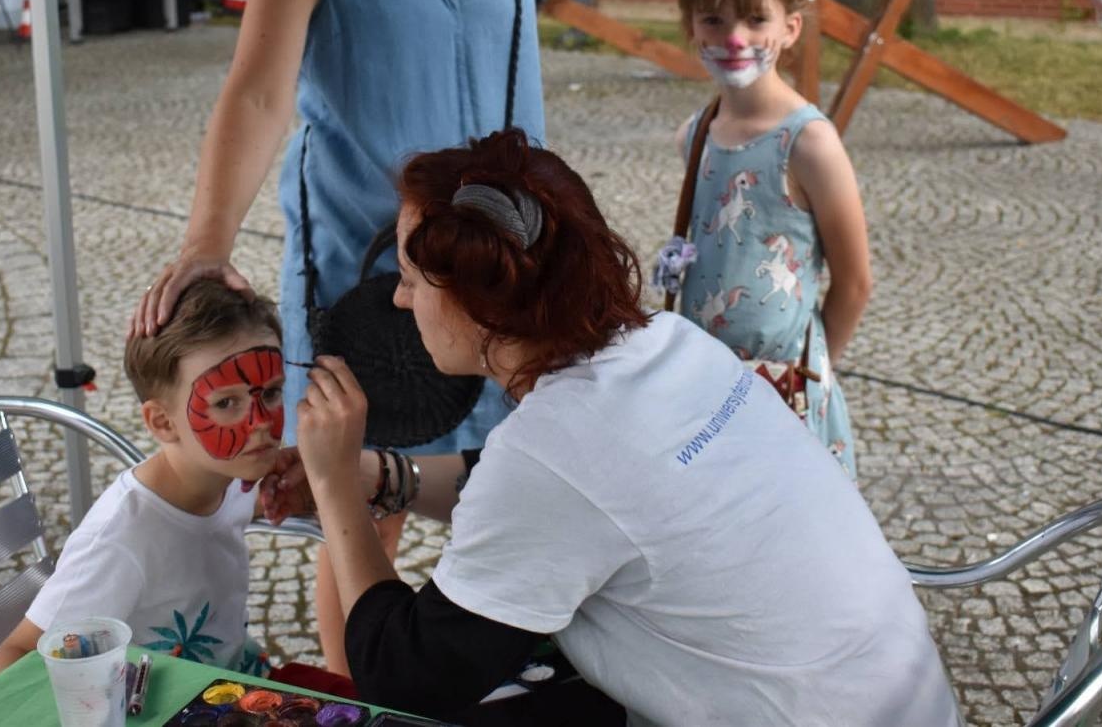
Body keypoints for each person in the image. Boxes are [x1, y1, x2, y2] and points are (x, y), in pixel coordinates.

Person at [129, 0, 619, 675]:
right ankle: (357, 695)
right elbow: (261, 88)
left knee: (539, 471)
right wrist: (206, 242)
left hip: (502, 259)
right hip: (368, 271)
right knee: (358, 499)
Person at [271, 129, 960, 727]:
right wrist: (386, 477)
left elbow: (407, 673)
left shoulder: (553, 451)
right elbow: (558, 493)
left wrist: (335, 487)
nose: (398, 296)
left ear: (476, 300)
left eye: (414, 276)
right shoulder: (669, 344)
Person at [0, 282, 343, 692]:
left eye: (272, 393)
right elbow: (13, 657)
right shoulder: (121, 539)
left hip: (241, 686)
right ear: (161, 422)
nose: (260, 420)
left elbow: (210, 523)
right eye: (227, 403)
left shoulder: (230, 478)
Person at [664, 0, 870, 478]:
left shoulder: (809, 144)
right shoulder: (696, 135)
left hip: (784, 395)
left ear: (790, 28)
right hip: (703, 393)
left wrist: (808, 370)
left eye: (756, 19)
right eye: (715, 19)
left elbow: (854, 282)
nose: (735, 38)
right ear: (691, 27)